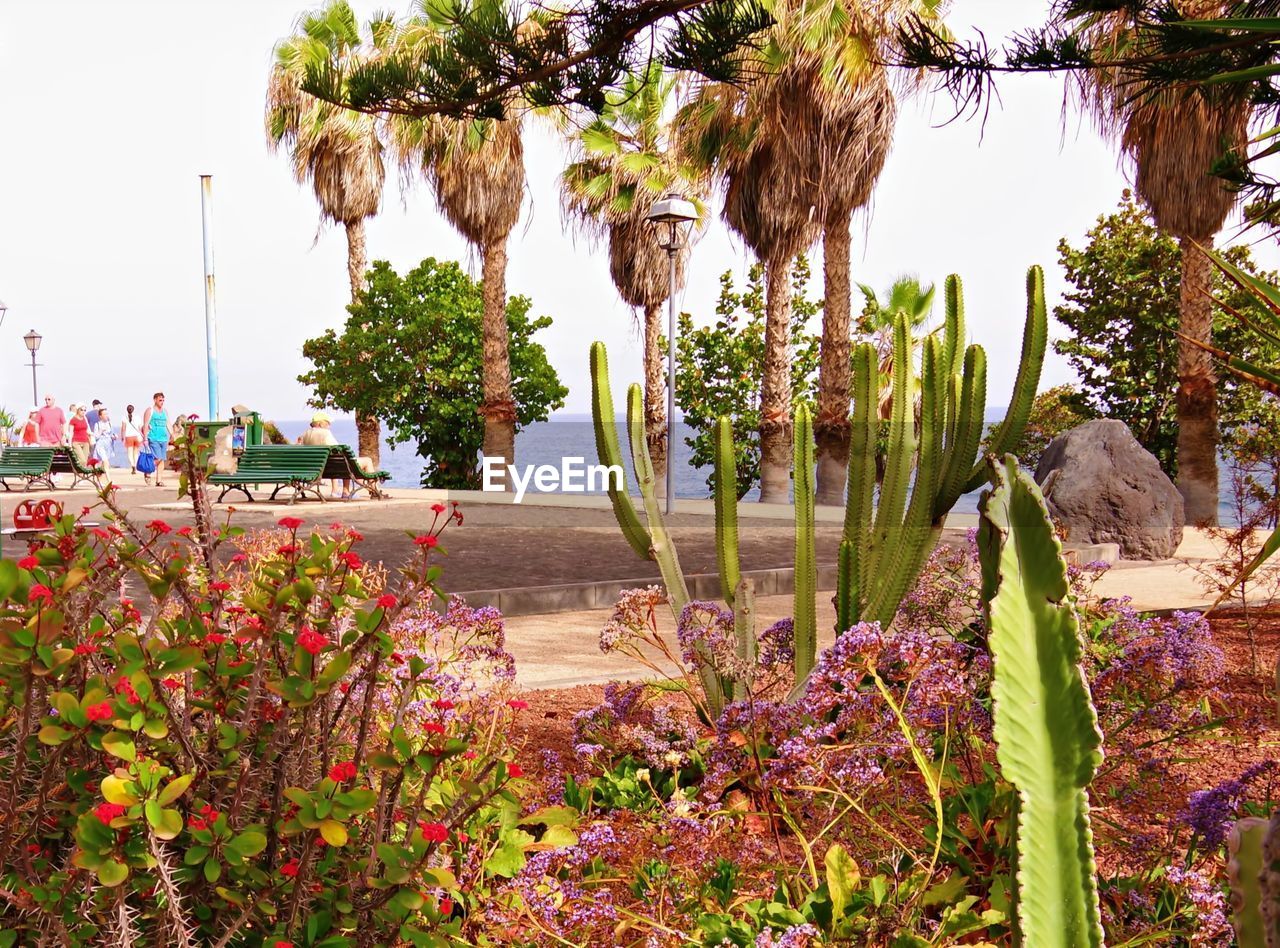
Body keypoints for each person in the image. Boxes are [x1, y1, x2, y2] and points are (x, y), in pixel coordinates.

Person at [300, 412, 351, 498]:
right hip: (328, 467)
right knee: (362, 461)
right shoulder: (325, 433)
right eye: (327, 423)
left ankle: (335, 491)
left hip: (313, 467)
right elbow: (338, 449)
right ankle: (347, 491)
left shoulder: (305, 434)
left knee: (333, 461)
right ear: (320, 424)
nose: (329, 426)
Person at [140, 392, 169, 487]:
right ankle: (148, 470)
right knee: (158, 458)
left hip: (164, 438)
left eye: (163, 400)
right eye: (160, 400)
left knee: (162, 460)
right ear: (155, 400)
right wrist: (145, 439)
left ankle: (159, 480)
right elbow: (145, 425)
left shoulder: (165, 411)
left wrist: (172, 435)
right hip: (153, 437)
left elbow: (168, 423)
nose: (162, 402)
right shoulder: (150, 410)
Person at [91, 407, 116, 472]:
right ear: (100, 416)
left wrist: (114, 437)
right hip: (100, 445)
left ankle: (99, 475)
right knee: (105, 461)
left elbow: (112, 434)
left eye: (107, 414)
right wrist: (100, 431)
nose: (106, 415)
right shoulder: (97, 424)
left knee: (103, 462)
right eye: (104, 414)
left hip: (108, 445)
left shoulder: (109, 424)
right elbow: (96, 436)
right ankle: (108, 479)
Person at [120, 404, 143, 473]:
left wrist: (122, 437)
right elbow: (140, 428)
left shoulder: (124, 417)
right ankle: (135, 465)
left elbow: (123, 429)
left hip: (128, 436)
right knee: (136, 452)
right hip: (137, 436)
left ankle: (132, 465)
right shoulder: (137, 417)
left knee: (130, 453)